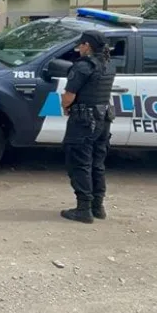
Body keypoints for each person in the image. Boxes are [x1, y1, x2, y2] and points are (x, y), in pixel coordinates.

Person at [59, 29, 115, 223]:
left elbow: (69, 96)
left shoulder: (83, 67)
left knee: (80, 163)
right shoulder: (108, 65)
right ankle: (97, 207)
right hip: (103, 120)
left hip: (83, 122)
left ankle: (83, 209)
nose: (79, 48)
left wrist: (65, 106)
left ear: (87, 46)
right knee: (97, 164)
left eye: (81, 45)